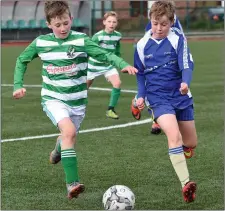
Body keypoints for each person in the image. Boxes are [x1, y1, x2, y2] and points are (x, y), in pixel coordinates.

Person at [13, 0, 137, 200]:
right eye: (57, 25)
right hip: (53, 98)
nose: (62, 28)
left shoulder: (81, 40)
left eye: (65, 23)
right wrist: (18, 84)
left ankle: (57, 150)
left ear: (71, 19)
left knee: (68, 137)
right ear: (49, 24)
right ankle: (72, 184)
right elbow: (22, 60)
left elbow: (105, 55)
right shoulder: (41, 43)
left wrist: (122, 63)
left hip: (78, 101)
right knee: (69, 132)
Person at [134, 1, 197, 202]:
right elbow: (140, 74)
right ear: (150, 22)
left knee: (191, 142)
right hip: (158, 97)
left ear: (171, 23)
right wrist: (142, 94)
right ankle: (186, 184)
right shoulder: (142, 44)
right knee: (174, 136)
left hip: (180, 95)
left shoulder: (178, 39)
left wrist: (185, 83)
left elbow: (186, 65)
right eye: (155, 23)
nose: (159, 28)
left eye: (163, 24)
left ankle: (183, 151)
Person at [131, 1, 184, 135]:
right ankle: (140, 105)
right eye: (156, 24)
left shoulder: (174, 20)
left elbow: (182, 37)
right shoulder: (155, 20)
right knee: (154, 80)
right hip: (155, 66)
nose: (159, 27)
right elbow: (149, 38)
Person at [87, 11, 122, 119]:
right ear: (104, 22)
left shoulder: (118, 36)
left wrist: (119, 62)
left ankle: (110, 109)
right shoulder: (98, 36)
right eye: (109, 21)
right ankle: (74, 106)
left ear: (116, 23)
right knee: (84, 88)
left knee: (117, 83)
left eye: (114, 22)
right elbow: (89, 49)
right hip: (94, 66)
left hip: (108, 66)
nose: (111, 24)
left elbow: (117, 51)